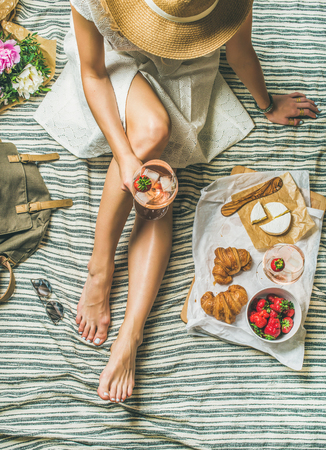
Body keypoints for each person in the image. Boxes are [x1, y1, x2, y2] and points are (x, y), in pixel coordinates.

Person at [35, 0, 319, 404]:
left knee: (158, 184)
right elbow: (93, 72)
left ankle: (131, 334)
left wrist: (268, 103)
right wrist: (128, 157)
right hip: (114, 68)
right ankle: (99, 269)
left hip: (183, 78)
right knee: (152, 134)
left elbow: (238, 50)